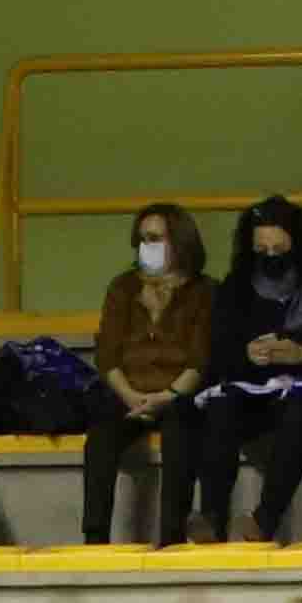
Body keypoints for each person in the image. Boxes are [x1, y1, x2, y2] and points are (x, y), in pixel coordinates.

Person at [192, 197, 302, 545]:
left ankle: (264, 520)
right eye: (262, 250)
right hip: (254, 391)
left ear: (297, 244)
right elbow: (218, 353)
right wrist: (247, 354)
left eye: (279, 249)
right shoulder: (236, 286)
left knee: (299, 408)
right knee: (221, 408)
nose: (270, 256)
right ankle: (211, 517)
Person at [84, 208, 217, 546]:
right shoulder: (123, 287)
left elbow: (201, 359)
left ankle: (172, 538)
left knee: (180, 430)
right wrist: (130, 396)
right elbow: (108, 355)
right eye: (142, 239)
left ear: (180, 243)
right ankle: (94, 539)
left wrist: (168, 395)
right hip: (127, 392)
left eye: (155, 239)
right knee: (100, 435)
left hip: (178, 394)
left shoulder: (205, 291)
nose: (146, 246)